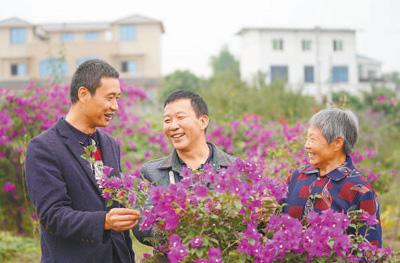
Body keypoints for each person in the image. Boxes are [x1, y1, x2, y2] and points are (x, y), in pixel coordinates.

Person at [25, 59, 140, 263]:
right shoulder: (44, 148)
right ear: (84, 94)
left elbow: (117, 209)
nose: (115, 106)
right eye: (110, 98)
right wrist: (104, 221)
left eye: (118, 98)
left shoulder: (110, 144)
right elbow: (53, 216)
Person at [134, 90, 235, 245]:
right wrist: (180, 230)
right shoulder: (151, 173)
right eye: (167, 120)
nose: (173, 126)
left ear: (203, 121)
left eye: (180, 117)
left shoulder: (235, 169)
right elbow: (142, 226)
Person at [282, 108, 382, 247]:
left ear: (337, 143)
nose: (306, 146)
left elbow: (370, 251)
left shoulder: (360, 190)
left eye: (313, 139)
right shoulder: (297, 177)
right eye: (307, 139)